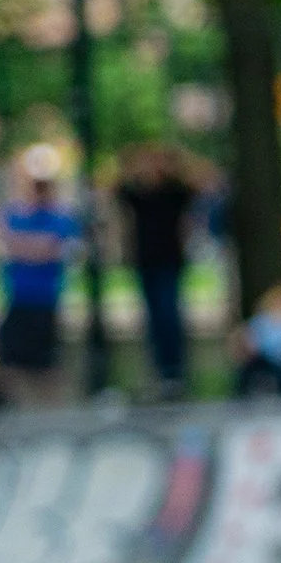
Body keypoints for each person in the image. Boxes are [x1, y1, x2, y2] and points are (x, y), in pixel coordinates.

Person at [0, 145, 83, 407]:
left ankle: (51, 413)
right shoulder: (13, 212)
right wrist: (31, 245)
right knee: (10, 360)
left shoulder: (62, 216)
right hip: (17, 295)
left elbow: (48, 249)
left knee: (46, 364)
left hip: (45, 298)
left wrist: (23, 245)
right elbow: (9, 243)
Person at [118, 142, 201, 398]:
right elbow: (115, 186)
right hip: (145, 261)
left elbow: (200, 181)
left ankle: (174, 369)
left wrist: (176, 161)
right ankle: (161, 369)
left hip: (169, 260)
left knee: (168, 312)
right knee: (153, 316)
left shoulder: (175, 193)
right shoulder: (138, 195)